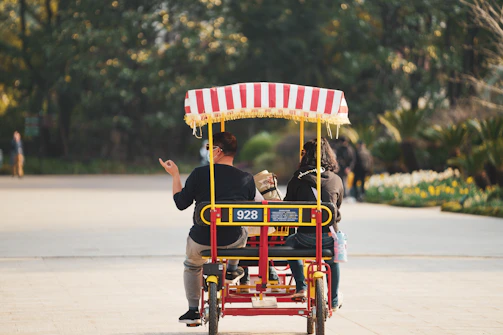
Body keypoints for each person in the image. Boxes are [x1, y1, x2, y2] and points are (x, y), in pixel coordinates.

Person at [159, 132, 256, 326]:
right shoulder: (246, 178)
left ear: (218, 151)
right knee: (244, 229)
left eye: (208, 148)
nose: (207, 152)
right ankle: (232, 269)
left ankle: (193, 310)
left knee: (192, 265)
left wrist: (175, 175)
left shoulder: (199, 174)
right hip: (232, 239)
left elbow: (180, 203)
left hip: (201, 239)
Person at [284, 137, 344, 310]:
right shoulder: (336, 180)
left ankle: (301, 286)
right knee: (332, 261)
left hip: (304, 238)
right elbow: (337, 208)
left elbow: (288, 208)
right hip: (330, 238)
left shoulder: (297, 180)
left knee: (289, 243)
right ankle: (333, 300)